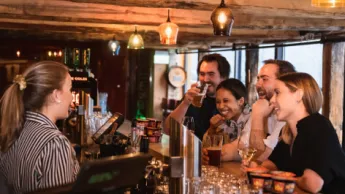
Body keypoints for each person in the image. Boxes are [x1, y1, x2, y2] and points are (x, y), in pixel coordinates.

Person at [0, 61, 80, 193]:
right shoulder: (55, 144)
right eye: (70, 89)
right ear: (57, 95)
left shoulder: (14, 130)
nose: (72, 96)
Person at [260, 72, 345, 193]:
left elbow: (312, 184)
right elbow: (270, 165)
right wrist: (257, 169)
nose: (272, 100)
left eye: (277, 93)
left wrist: (287, 178)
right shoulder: (288, 131)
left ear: (298, 95)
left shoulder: (318, 126)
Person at [165, 53, 230, 140]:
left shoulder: (232, 102)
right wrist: (185, 103)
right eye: (202, 74)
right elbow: (168, 129)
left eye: (211, 74)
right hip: (191, 151)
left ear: (224, 77)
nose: (205, 79)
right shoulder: (192, 98)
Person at [247, 59, 296, 162]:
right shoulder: (261, 105)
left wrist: (258, 117)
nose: (257, 85)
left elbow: (259, 159)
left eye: (264, 79)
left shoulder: (287, 114)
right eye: (258, 79)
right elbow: (241, 146)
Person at [202, 79, 251, 164]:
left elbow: (241, 147)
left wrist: (209, 155)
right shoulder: (223, 120)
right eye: (218, 102)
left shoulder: (253, 117)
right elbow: (205, 146)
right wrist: (212, 128)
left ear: (241, 101)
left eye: (226, 101)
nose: (220, 106)